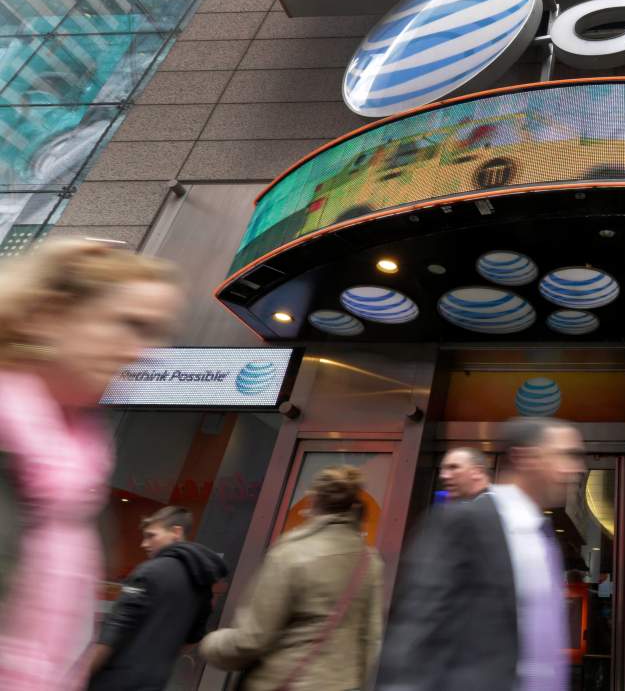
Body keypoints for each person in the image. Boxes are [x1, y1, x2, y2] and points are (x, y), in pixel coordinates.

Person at [0, 239, 180, 691]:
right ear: (47, 315)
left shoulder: (72, 474)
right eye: (128, 324)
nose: (140, 352)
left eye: (153, 333)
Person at [376, 417, 586, 691]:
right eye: (565, 455)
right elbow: (415, 635)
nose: (577, 468)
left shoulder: (544, 540)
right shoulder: (463, 523)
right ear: (526, 458)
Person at [200, 466, 383, 691]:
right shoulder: (370, 561)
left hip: (284, 682)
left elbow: (252, 639)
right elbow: (371, 639)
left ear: (313, 501)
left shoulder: (292, 553)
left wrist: (210, 644)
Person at [85, 506, 228, 691]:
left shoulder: (149, 572)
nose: (144, 544)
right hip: (155, 682)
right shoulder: (202, 584)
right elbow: (193, 638)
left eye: (151, 536)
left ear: (176, 532)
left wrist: (77, 678)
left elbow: (113, 632)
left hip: (114, 681)